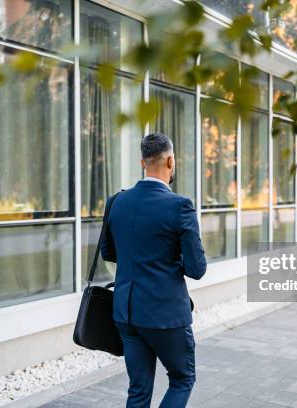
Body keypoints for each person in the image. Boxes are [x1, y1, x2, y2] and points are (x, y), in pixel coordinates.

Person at [101, 133, 207, 408]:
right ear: (171, 161)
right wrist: (168, 262)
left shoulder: (116, 201)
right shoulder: (180, 206)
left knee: (138, 390)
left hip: (126, 313)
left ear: (142, 163)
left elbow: (108, 253)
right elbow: (197, 269)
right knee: (183, 379)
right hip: (164, 314)